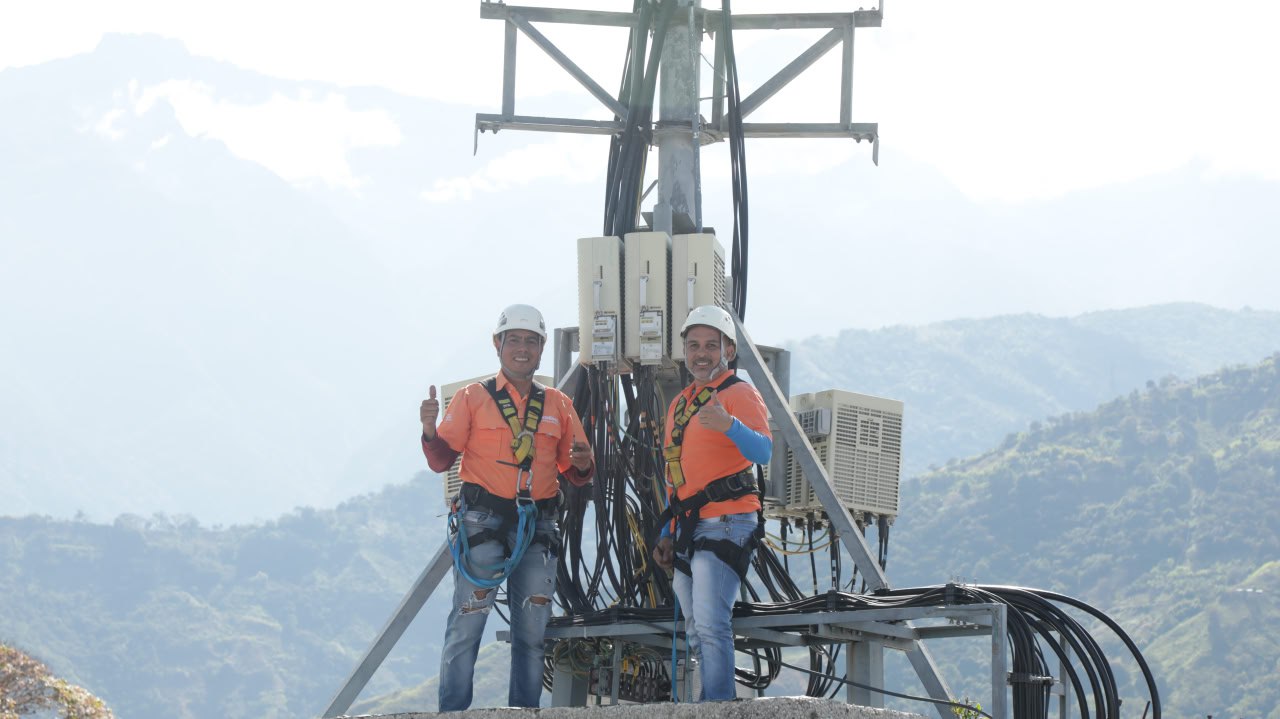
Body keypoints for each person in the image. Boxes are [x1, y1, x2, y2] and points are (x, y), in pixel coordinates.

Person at [420, 303, 594, 712]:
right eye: (513, 340)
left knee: (532, 633)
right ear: (497, 344)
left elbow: (577, 472)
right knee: (467, 625)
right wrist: (429, 429)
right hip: (484, 523)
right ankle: (453, 712)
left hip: (538, 527)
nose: (522, 348)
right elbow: (441, 460)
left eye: (531, 341)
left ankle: (523, 712)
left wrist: (585, 463)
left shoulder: (557, 404)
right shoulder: (473, 398)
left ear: (541, 348)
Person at [652, 305, 772, 702]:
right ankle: (711, 703)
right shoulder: (680, 404)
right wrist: (667, 532)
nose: (701, 354)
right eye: (693, 346)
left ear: (728, 350)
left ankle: (717, 707)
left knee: (710, 623)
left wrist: (729, 425)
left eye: (710, 345)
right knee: (695, 628)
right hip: (689, 525)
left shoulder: (739, 393)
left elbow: (763, 451)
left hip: (727, 521)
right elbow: (674, 474)